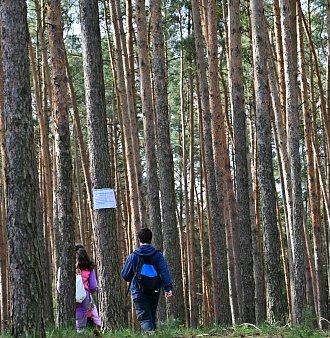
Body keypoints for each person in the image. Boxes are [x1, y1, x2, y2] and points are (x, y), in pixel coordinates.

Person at [121, 228, 173, 333]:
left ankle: (150, 334)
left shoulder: (133, 256)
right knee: (151, 317)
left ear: (139, 240)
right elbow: (164, 272)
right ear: (151, 239)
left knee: (145, 318)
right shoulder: (158, 255)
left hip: (138, 291)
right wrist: (168, 288)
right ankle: (153, 334)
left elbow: (125, 275)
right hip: (154, 290)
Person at [75, 244, 102, 334]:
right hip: (84, 296)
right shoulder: (89, 269)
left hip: (69, 295)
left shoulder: (66, 267)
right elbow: (93, 286)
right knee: (82, 321)